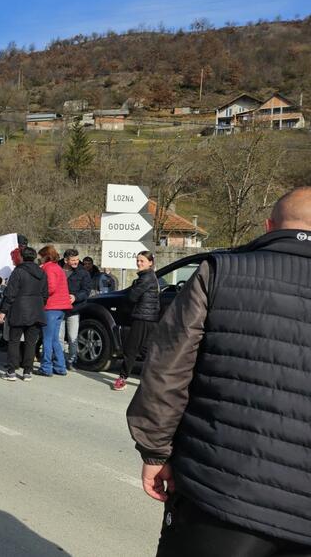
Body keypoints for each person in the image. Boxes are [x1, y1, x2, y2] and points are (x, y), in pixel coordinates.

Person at [127, 187, 311, 556]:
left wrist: (155, 452)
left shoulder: (220, 271)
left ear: (269, 225)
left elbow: (167, 370)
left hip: (220, 492)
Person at [0, 247, 47, 381]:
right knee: (31, 343)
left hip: (18, 309)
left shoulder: (18, 272)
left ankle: (11, 371)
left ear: (22, 257)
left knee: (14, 341)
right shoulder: (42, 272)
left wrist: (3, 311)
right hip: (36, 310)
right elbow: (45, 294)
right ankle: (27, 372)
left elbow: (10, 294)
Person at [113, 251, 159, 392]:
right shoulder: (150, 277)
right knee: (146, 350)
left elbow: (132, 297)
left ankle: (122, 378)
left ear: (150, 263)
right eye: (137, 260)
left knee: (131, 348)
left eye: (142, 261)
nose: (138, 263)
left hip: (142, 317)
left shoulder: (146, 278)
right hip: (150, 318)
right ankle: (156, 380)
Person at [38, 246, 72, 377]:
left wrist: (40, 295)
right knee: (54, 339)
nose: (39, 258)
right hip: (61, 307)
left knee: (47, 339)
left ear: (46, 256)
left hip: (51, 307)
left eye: (41, 256)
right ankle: (60, 366)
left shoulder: (48, 268)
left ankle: (46, 367)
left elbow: (50, 287)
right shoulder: (58, 267)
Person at [60, 248, 92, 369]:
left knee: (73, 337)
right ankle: (60, 360)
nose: (76, 262)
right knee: (59, 337)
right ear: (66, 260)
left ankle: (72, 361)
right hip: (59, 308)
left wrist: (75, 297)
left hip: (74, 309)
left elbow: (86, 290)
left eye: (77, 259)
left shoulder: (83, 272)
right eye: (73, 260)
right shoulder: (57, 269)